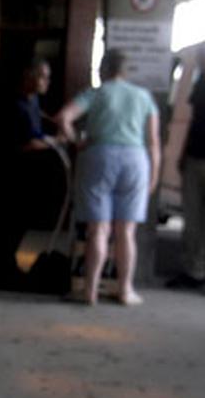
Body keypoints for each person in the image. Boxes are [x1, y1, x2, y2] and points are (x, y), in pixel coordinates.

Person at [56, 49, 160, 305]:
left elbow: (63, 117)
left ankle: (89, 291)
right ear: (126, 71)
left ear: (103, 69)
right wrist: (154, 176)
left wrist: (76, 141)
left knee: (97, 230)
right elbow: (154, 142)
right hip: (135, 161)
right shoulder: (144, 97)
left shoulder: (96, 93)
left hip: (99, 157)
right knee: (126, 231)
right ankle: (125, 290)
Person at [0, 57, 57, 288]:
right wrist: (55, 141)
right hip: (12, 173)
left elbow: (37, 123)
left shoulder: (33, 100)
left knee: (19, 223)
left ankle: (6, 267)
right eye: (42, 76)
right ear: (29, 77)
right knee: (9, 223)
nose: (46, 81)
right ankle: (1, 271)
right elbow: (23, 143)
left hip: (28, 174)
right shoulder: (14, 105)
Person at [167, 45, 205, 290]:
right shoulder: (201, 83)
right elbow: (193, 121)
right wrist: (182, 154)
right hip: (194, 157)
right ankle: (194, 270)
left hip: (196, 157)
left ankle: (197, 271)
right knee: (192, 218)